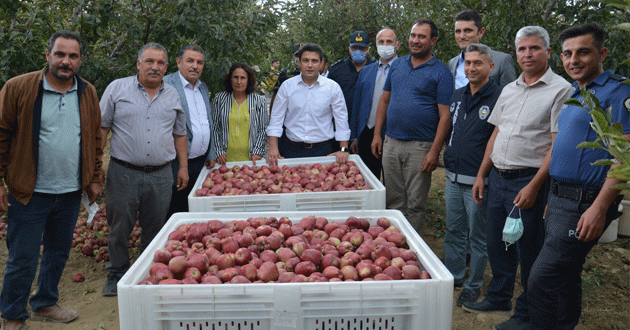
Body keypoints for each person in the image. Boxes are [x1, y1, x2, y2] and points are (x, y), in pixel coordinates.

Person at [463, 26, 573, 330]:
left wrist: (535, 186)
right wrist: (481, 175)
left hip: (529, 181)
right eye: (522, 49)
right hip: (498, 177)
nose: (528, 54)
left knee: (529, 248)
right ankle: (499, 295)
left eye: (534, 48)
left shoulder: (560, 90)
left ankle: (526, 311)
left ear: (548, 52)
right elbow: (496, 133)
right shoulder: (509, 89)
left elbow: (556, 144)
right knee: (499, 242)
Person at [528, 23, 629, 330]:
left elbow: (625, 158)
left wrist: (598, 207)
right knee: (566, 276)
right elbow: (562, 147)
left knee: (542, 281)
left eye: (583, 52)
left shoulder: (618, 92)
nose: (574, 60)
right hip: (561, 200)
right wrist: (553, 195)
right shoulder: (576, 91)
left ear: (602, 53)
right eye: (568, 54)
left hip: (586, 204)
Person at [0, 30, 103, 329]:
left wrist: (95, 177)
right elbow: (1, 134)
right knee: (22, 257)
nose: (65, 61)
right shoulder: (19, 88)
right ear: (48, 55)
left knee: (58, 252)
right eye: (60, 54)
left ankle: (44, 302)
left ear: (80, 59)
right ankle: (12, 314)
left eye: (72, 56)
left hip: (70, 191)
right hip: (29, 191)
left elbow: (96, 138)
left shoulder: (87, 92)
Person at [100, 42, 188, 296]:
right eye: (149, 61)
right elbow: (102, 129)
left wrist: (182, 167)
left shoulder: (172, 94)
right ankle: (116, 271)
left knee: (155, 225)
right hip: (123, 171)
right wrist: (95, 167)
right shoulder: (117, 88)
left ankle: (146, 271)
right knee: (119, 226)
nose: (154, 67)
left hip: (161, 173)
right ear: (138, 63)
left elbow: (179, 133)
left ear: (166, 67)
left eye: (160, 63)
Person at [371, 19, 453, 235]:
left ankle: (412, 250)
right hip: (391, 142)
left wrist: (435, 151)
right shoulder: (397, 65)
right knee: (394, 199)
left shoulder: (441, 72)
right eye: (413, 35)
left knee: (415, 204)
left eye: (422, 36)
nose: (415, 41)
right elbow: (384, 101)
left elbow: (445, 116)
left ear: (433, 40)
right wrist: (377, 134)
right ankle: (393, 245)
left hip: (420, 146)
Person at [443, 43, 502, 307]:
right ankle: (454, 276)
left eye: (478, 63)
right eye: (467, 63)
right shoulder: (457, 94)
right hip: (453, 176)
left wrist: (482, 174)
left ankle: (474, 284)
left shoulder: (499, 97)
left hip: (479, 179)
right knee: (454, 229)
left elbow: (496, 140)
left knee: (477, 236)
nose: (471, 68)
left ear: (490, 66)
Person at [266, 43, 351, 165]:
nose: (310, 65)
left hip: (324, 150)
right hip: (291, 149)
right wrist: (273, 147)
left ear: (321, 64)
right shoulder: (287, 86)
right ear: (299, 63)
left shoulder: (332, 88)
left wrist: (343, 149)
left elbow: (341, 120)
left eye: (314, 61)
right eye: (305, 61)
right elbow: (276, 119)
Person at [163, 44, 215, 218]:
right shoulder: (167, 85)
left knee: (193, 210)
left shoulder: (203, 87)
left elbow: (208, 122)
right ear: (179, 62)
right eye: (190, 60)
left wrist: (211, 153)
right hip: (175, 163)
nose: (195, 66)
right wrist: (181, 166)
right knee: (173, 210)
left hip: (200, 163)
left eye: (200, 62)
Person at [350, 27, 400, 178]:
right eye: (381, 42)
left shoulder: (404, 68)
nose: (385, 45)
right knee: (368, 177)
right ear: (376, 45)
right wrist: (354, 135)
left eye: (389, 42)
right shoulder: (366, 70)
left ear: (397, 45)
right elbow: (357, 104)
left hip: (392, 132)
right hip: (366, 131)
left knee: (392, 179)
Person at [211, 63, 269, 165]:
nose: (239, 82)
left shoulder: (259, 101)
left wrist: (257, 151)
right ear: (230, 79)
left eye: (243, 78)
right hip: (224, 160)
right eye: (235, 77)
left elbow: (263, 128)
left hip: (252, 159)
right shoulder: (219, 99)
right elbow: (214, 127)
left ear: (248, 80)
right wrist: (219, 152)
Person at [448, 9, 516, 89]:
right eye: (458, 31)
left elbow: (511, 96)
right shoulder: (452, 63)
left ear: (480, 32)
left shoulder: (501, 60)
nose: (462, 36)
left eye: (467, 30)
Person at [328, 31, 375, 120]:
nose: (358, 51)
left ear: (369, 50)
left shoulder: (376, 70)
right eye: (355, 48)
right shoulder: (337, 70)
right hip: (341, 121)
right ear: (349, 49)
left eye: (362, 48)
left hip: (367, 124)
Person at [269, 43, 303, 112]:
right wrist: (271, 114)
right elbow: (275, 94)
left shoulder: (313, 74)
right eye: (297, 55)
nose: (300, 57)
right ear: (293, 56)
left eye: (302, 55)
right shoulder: (286, 73)